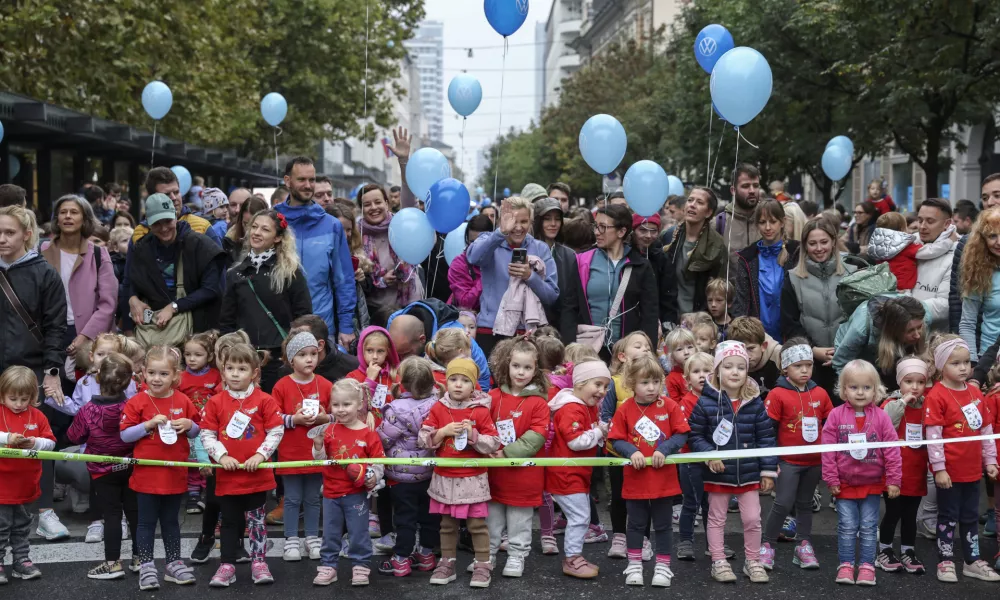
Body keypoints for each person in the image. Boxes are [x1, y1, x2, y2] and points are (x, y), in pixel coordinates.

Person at [0, 204, 69, 540]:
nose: (1, 239)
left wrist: (52, 371)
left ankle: (44, 511)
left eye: (9, 232)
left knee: (38, 441)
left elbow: (57, 327)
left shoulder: (45, 274)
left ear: (27, 234)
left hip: (31, 369)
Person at [688, 341, 776, 584]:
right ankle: (718, 560)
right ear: (717, 370)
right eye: (728, 366)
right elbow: (694, 435)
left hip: (749, 473)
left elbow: (767, 437)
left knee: (752, 519)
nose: (735, 372)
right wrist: (710, 455)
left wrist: (768, 470)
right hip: (718, 473)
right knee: (716, 518)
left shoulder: (756, 402)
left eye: (741, 367)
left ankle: (753, 561)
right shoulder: (706, 402)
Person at [200, 343, 284, 587]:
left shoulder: (265, 400)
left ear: (254, 373)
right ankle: (227, 565)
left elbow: (276, 430)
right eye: (230, 368)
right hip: (227, 476)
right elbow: (206, 434)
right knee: (229, 521)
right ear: (223, 371)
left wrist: (261, 455)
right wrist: (222, 456)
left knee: (257, 520)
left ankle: (259, 562)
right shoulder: (215, 402)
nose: (235, 373)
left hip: (256, 476)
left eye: (242, 368)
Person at [119, 345, 200, 590]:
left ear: (175, 376)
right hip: (146, 476)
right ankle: (146, 565)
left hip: (175, 474)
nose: (157, 378)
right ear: (143, 373)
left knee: (172, 522)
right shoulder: (137, 401)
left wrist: (188, 424)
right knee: (145, 523)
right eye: (152, 373)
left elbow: (197, 430)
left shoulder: (183, 400)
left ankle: (173, 563)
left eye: (164, 374)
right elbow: (125, 436)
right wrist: (148, 424)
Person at [923, 335, 1000, 583]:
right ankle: (945, 560)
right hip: (949, 472)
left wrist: (990, 460)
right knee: (947, 516)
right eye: (956, 363)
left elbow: (986, 431)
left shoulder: (975, 393)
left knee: (969, 516)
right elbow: (933, 436)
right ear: (941, 366)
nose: (964, 367)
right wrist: (939, 469)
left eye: (967, 362)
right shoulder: (937, 395)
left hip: (972, 471)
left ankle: (971, 560)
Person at [418, 358, 501, 588]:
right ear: (446, 382)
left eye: (465, 380)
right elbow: (423, 439)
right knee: (446, 525)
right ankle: (447, 563)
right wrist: (442, 431)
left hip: (472, 477)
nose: (458, 384)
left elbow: (493, 443)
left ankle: (483, 564)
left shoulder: (481, 411)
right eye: (453, 379)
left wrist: (473, 436)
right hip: (444, 477)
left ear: (473, 385)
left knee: (476, 524)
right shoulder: (438, 408)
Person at [609, 354, 689, 588]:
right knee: (635, 524)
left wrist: (664, 449)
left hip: (664, 481)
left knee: (664, 525)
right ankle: (634, 565)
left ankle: (663, 567)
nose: (652, 387)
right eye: (645, 382)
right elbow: (615, 439)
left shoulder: (670, 405)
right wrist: (630, 451)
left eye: (656, 381)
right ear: (632, 383)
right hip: (635, 480)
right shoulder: (624, 409)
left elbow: (682, 433)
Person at [822, 359, 902, 587]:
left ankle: (867, 566)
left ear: (876, 390)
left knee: (868, 527)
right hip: (844, 484)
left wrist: (894, 480)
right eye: (853, 387)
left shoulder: (882, 417)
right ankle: (846, 565)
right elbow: (827, 451)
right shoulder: (836, 416)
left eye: (866, 387)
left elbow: (892, 451)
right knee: (847, 526)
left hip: (873, 484)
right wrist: (831, 479)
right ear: (843, 388)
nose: (860, 392)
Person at [759, 340, 834, 571]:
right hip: (788, 462)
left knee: (805, 504)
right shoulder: (777, 394)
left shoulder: (820, 393)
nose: (804, 371)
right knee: (782, 503)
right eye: (798, 366)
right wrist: (771, 463)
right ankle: (767, 545)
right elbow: (767, 430)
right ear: (785, 369)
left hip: (813, 462)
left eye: (808, 365)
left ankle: (803, 545)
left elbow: (830, 425)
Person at [219, 210, 312, 391]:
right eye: (254, 227)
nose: (256, 232)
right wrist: (229, 353)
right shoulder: (235, 273)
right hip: (245, 357)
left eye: (265, 229)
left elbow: (304, 315)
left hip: (279, 356)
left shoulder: (290, 271)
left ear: (277, 237)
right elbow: (227, 321)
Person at [67, 353, 140, 580]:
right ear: (128, 382)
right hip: (130, 467)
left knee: (112, 515)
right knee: (135, 513)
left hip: (101, 471)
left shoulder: (88, 410)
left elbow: (73, 436)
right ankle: (140, 559)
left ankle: (112, 563)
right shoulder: (130, 407)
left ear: (98, 377)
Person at [273, 156, 357, 348]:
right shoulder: (272, 220)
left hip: (321, 325)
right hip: (279, 325)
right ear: (288, 181)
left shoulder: (332, 226)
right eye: (301, 179)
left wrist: (345, 325)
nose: (308, 185)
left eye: (311, 180)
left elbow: (343, 280)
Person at [124, 194, 226, 347]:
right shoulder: (142, 248)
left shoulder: (200, 244)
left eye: (168, 221)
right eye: (157, 223)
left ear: (176, 216)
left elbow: (211, 289)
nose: (164, 228)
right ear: (148, 224)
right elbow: (132, 281)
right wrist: (132, 298)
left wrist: (174, 307)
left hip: (198, 331)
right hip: (155, 330)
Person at [486, 337, 550, 578]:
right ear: (507, 365)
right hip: (495, 472)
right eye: (516, 366)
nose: (521, 372)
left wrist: (507, 452)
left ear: (535, 369)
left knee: (520, 519)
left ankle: (516, 555)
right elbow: (483, 425)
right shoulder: (492, 397)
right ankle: (487, 555)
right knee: (491, 518)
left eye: (527, 367)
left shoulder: (538, 403)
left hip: (524, 474)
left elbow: (537, 436)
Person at [312, 379, 384, 586]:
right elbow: (319, 460)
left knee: (359, 532)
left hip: (356, 493)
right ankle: (328, 566)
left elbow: (379, 461)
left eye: (346, 404)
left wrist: (373, 476)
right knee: (330, 532)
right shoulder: (328, 430)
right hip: (330, 492)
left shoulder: (369, 433)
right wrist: (318, 446)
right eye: (336, 405)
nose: (341, 410)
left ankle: (361, 566)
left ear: (359, 403)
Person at [466, 197, 559, 357]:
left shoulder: (540, 248)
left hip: (527, 332)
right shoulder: (489, 240)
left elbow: (551, 295)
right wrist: (500, 233)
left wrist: (530, 277)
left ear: (530, 222)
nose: (517, 227)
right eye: (512, 221)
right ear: (502, 220)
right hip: (491, 329)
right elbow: (473, 258)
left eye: (523, 221)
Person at [546, 360, 611, 579]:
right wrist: (600, 432)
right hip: (566, 474)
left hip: (576, 473)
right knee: (581, 517)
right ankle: (573, 559)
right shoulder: (572, 408)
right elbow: (575, 441)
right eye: (598, 384)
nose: (602, 391)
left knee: (579, 516)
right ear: (580, 383)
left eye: (605, 386)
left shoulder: (585, 406)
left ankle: (574, 557)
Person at [376, 357, 441, 577]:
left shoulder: (395, 409)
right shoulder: (438, 404)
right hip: (429, 472)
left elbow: (384, 439)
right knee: (429, 516)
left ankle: (401, 559)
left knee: (405, 519)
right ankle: (426, 555)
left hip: (401, 476)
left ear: (402, 383)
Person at [42, 195, 119, 377]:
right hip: (47, 332)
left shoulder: (99, 254)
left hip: (85, 333)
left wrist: (85, 337)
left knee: (82, 393)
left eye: (74, 212)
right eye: (63, 212)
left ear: (85, 220)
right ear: (57, 219)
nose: (68, 216)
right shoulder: (41, 251)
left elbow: (108, 304)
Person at [272, 331, 332, 562]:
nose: (309, 359)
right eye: (302, 355)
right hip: (291, 452)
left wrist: (326, 418)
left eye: (313, 354)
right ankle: (290, 540)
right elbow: (273, 417)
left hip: (317, 451)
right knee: (292, 498)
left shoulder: (325, 384)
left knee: (313, 498)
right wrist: (294, 420)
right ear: (290, 359)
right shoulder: (281, 386)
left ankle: (312, 538)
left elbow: (337, 415)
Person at [781, 219, 857, 395]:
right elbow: (789, 321)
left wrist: (845, 348)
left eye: (824, 242)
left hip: (848, 359)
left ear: (833, 242)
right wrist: (813, 349)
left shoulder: (853, 271)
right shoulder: (793, 278)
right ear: (805, 246)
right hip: (810, 363)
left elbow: (859, 316)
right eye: (812, 243)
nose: (819, 248)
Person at [597, 332, 655, 557]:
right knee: (620, 495)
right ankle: (619, 537)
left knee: (645, 496)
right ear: (622, 356)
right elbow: (606, 414)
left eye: (648, 347)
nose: (645, 349)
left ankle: (644, 539)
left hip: (647, 452)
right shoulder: (615, 383)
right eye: (638, 345)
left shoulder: (656, 382)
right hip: (619, 452)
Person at [576, 204, 659, 357]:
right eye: (595, 226)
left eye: (603, 227)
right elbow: (570, 306)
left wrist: (648, 352)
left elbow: (650, 314)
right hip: (588, 348)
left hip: (627, 352)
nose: (597, 232)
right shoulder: (583, 260)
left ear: (621, 231)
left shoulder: (641, 265)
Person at [0, 365, 56, 582]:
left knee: (23, 526)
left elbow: (51, 443)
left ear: (33, 396)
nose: (18, 404)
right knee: (1, 526)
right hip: (3, 484)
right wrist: (7, 438)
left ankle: (21, 560)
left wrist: (35, 442)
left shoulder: (38, 416)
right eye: (12, 398)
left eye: (24, 398)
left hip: (27, 483)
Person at [877, 356, 930, 575]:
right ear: (899, 382)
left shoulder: (927, 405)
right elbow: (885, 422)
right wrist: (903, 402)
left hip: (917, 470)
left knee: (911, 515)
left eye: (920, 382)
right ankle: (885, 550)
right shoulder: (892, 404)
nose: (915, 387)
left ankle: (909, 550)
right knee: (893, 513)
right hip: (895, 473)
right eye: (909, 381)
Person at [732, 199, 800, 340]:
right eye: (762, 222)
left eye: (773, 221)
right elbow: (742, 303)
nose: (768, 227)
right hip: (757, 338)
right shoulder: (747, 257)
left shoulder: (796, 252)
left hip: (792, 335)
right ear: (757, 224)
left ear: (782, 222)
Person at [386, 299, 492, 390]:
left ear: (422, 339)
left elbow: (482, 379)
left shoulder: (457, 339)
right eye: (397, 353)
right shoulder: (394, 322)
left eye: (406, 353)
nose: (401, 360)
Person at [832, 295, 932, 389]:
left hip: (895, 347)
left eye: (919, 327)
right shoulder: (860, 329)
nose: (917, 335)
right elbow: (841, 363)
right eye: (910, 331)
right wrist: (860, 390)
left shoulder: (923, 314)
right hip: (864, 353)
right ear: (894, 330)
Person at [358, 182, 424, 316]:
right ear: (361, 209)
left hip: (410, 304)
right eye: (367, 204)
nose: (374, 207)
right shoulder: (356, 235)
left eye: (378, 202)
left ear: (386, 204)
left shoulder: (401, 225)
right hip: (377, 310)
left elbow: (411, 205)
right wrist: (381, 281)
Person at [663, 187, 727, 325]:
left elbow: (718, 289)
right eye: (690, 200)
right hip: (670, 318)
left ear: (709, 212)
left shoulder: (716, 245)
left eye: (699, 202)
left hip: (700, 321)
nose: (692, 205)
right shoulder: (669, 236)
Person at [676, 352, 715, 560]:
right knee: (691, 503)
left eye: (707, 371)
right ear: (687, 378)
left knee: (712, 504)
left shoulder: (719, 399)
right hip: (691, 460)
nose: (702, 375)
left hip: (714, 461)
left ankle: (713, 544)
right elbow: (688, 434)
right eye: (696, 371)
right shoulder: (686, 402)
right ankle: (685, 542)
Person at [950, 173, 1000, 336]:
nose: (990, 202)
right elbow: (957, 299)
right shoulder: (966, 244)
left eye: (997, 195)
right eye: (985, 198)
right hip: (980, 341)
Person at [532, 197, 582, 342]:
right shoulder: (526, 250)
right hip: (530, 325)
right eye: (547, 219)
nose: (553, 224)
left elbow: (571, 299)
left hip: (560, 328)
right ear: (538, 221)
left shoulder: (570, 255)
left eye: (557, 219)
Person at [131, 167, 215, 245]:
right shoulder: (140, 233)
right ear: (152, 198)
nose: (174, 198)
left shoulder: (202, 226)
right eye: (167, 194)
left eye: (176, 192)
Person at [958, 206, 1000, 362]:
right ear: (982, 240)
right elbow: (967, 323)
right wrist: (973, 363)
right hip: (989, 361)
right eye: (992, 236)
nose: (999, 242)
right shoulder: (979, 272)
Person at [912, 198, 956, 330]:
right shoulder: (909, 244)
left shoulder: (957, 253)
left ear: (946, 223)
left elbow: (945, 305)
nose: (922, 226)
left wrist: (905, 308)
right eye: (920, 220)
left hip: (934, 336)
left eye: (930, 221)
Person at [631, 212, 671, 328]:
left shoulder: (662, 258)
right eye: (643, 230)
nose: (648, 235)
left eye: (653, 231)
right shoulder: (625, 256)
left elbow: (668, 295)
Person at [448, 214, 492, 311]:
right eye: (472, 242)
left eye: (482, 243)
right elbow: (465, 304)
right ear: (466, 240)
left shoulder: (499, 259)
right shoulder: (459, 264)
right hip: (468, 321)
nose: (476, 247)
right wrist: (487, 276)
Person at [867, 212, 922, 290]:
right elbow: (927, 252)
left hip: (885, 286)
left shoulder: (877, 246)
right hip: (904, 287)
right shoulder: (906, 246)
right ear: (902, 229)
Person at [715, 164, 763, 253]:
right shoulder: (719, 222)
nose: (752, 190)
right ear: (733, 190)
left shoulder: (769, 219)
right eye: (745, 186)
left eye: (756, 185)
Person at [223, 195, 269, 266]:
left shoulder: (274, 244)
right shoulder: (230, 241)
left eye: (254, 225)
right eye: (245, 224)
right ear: (240, 220)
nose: (249, 230)